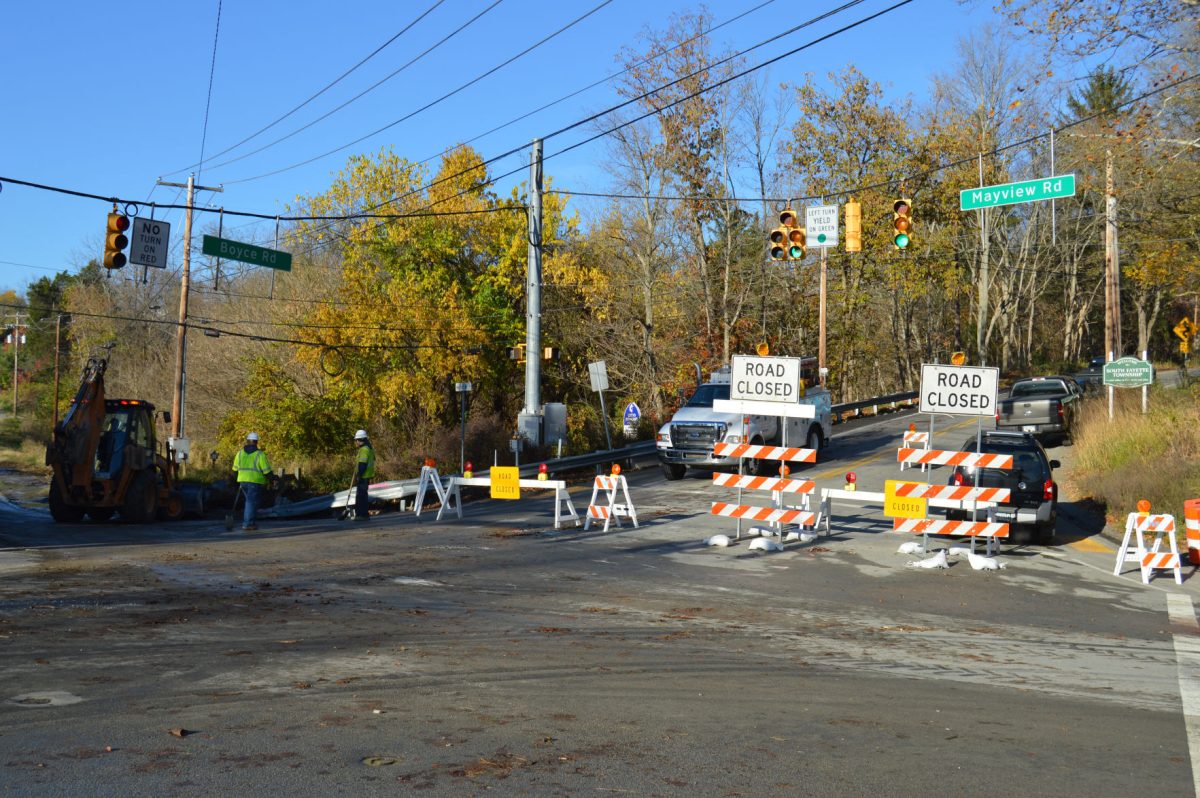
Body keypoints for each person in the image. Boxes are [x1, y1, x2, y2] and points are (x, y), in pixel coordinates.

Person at [232, 432, 272, 531]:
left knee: (251, 502)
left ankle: (251, 522)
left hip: (243, 481)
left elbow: (234, 469)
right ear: (256, 442)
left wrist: (236, 481)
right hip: (255, 481)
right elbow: (266, 471)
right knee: (251, 502)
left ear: (247, 441)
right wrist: (273, 479)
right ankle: (248, 524)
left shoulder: (240, 453)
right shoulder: (260, 454)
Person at [352, 429, 375, 521]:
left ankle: (362, 515)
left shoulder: (364, 450)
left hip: (363, 476)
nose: (356, 442)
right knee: (363, 496)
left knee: (361, 497)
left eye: (357, 440)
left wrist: (359, 476)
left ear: (360, 439)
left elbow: (362, 464)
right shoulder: (369, 448)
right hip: (367, 476)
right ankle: (363, 514)